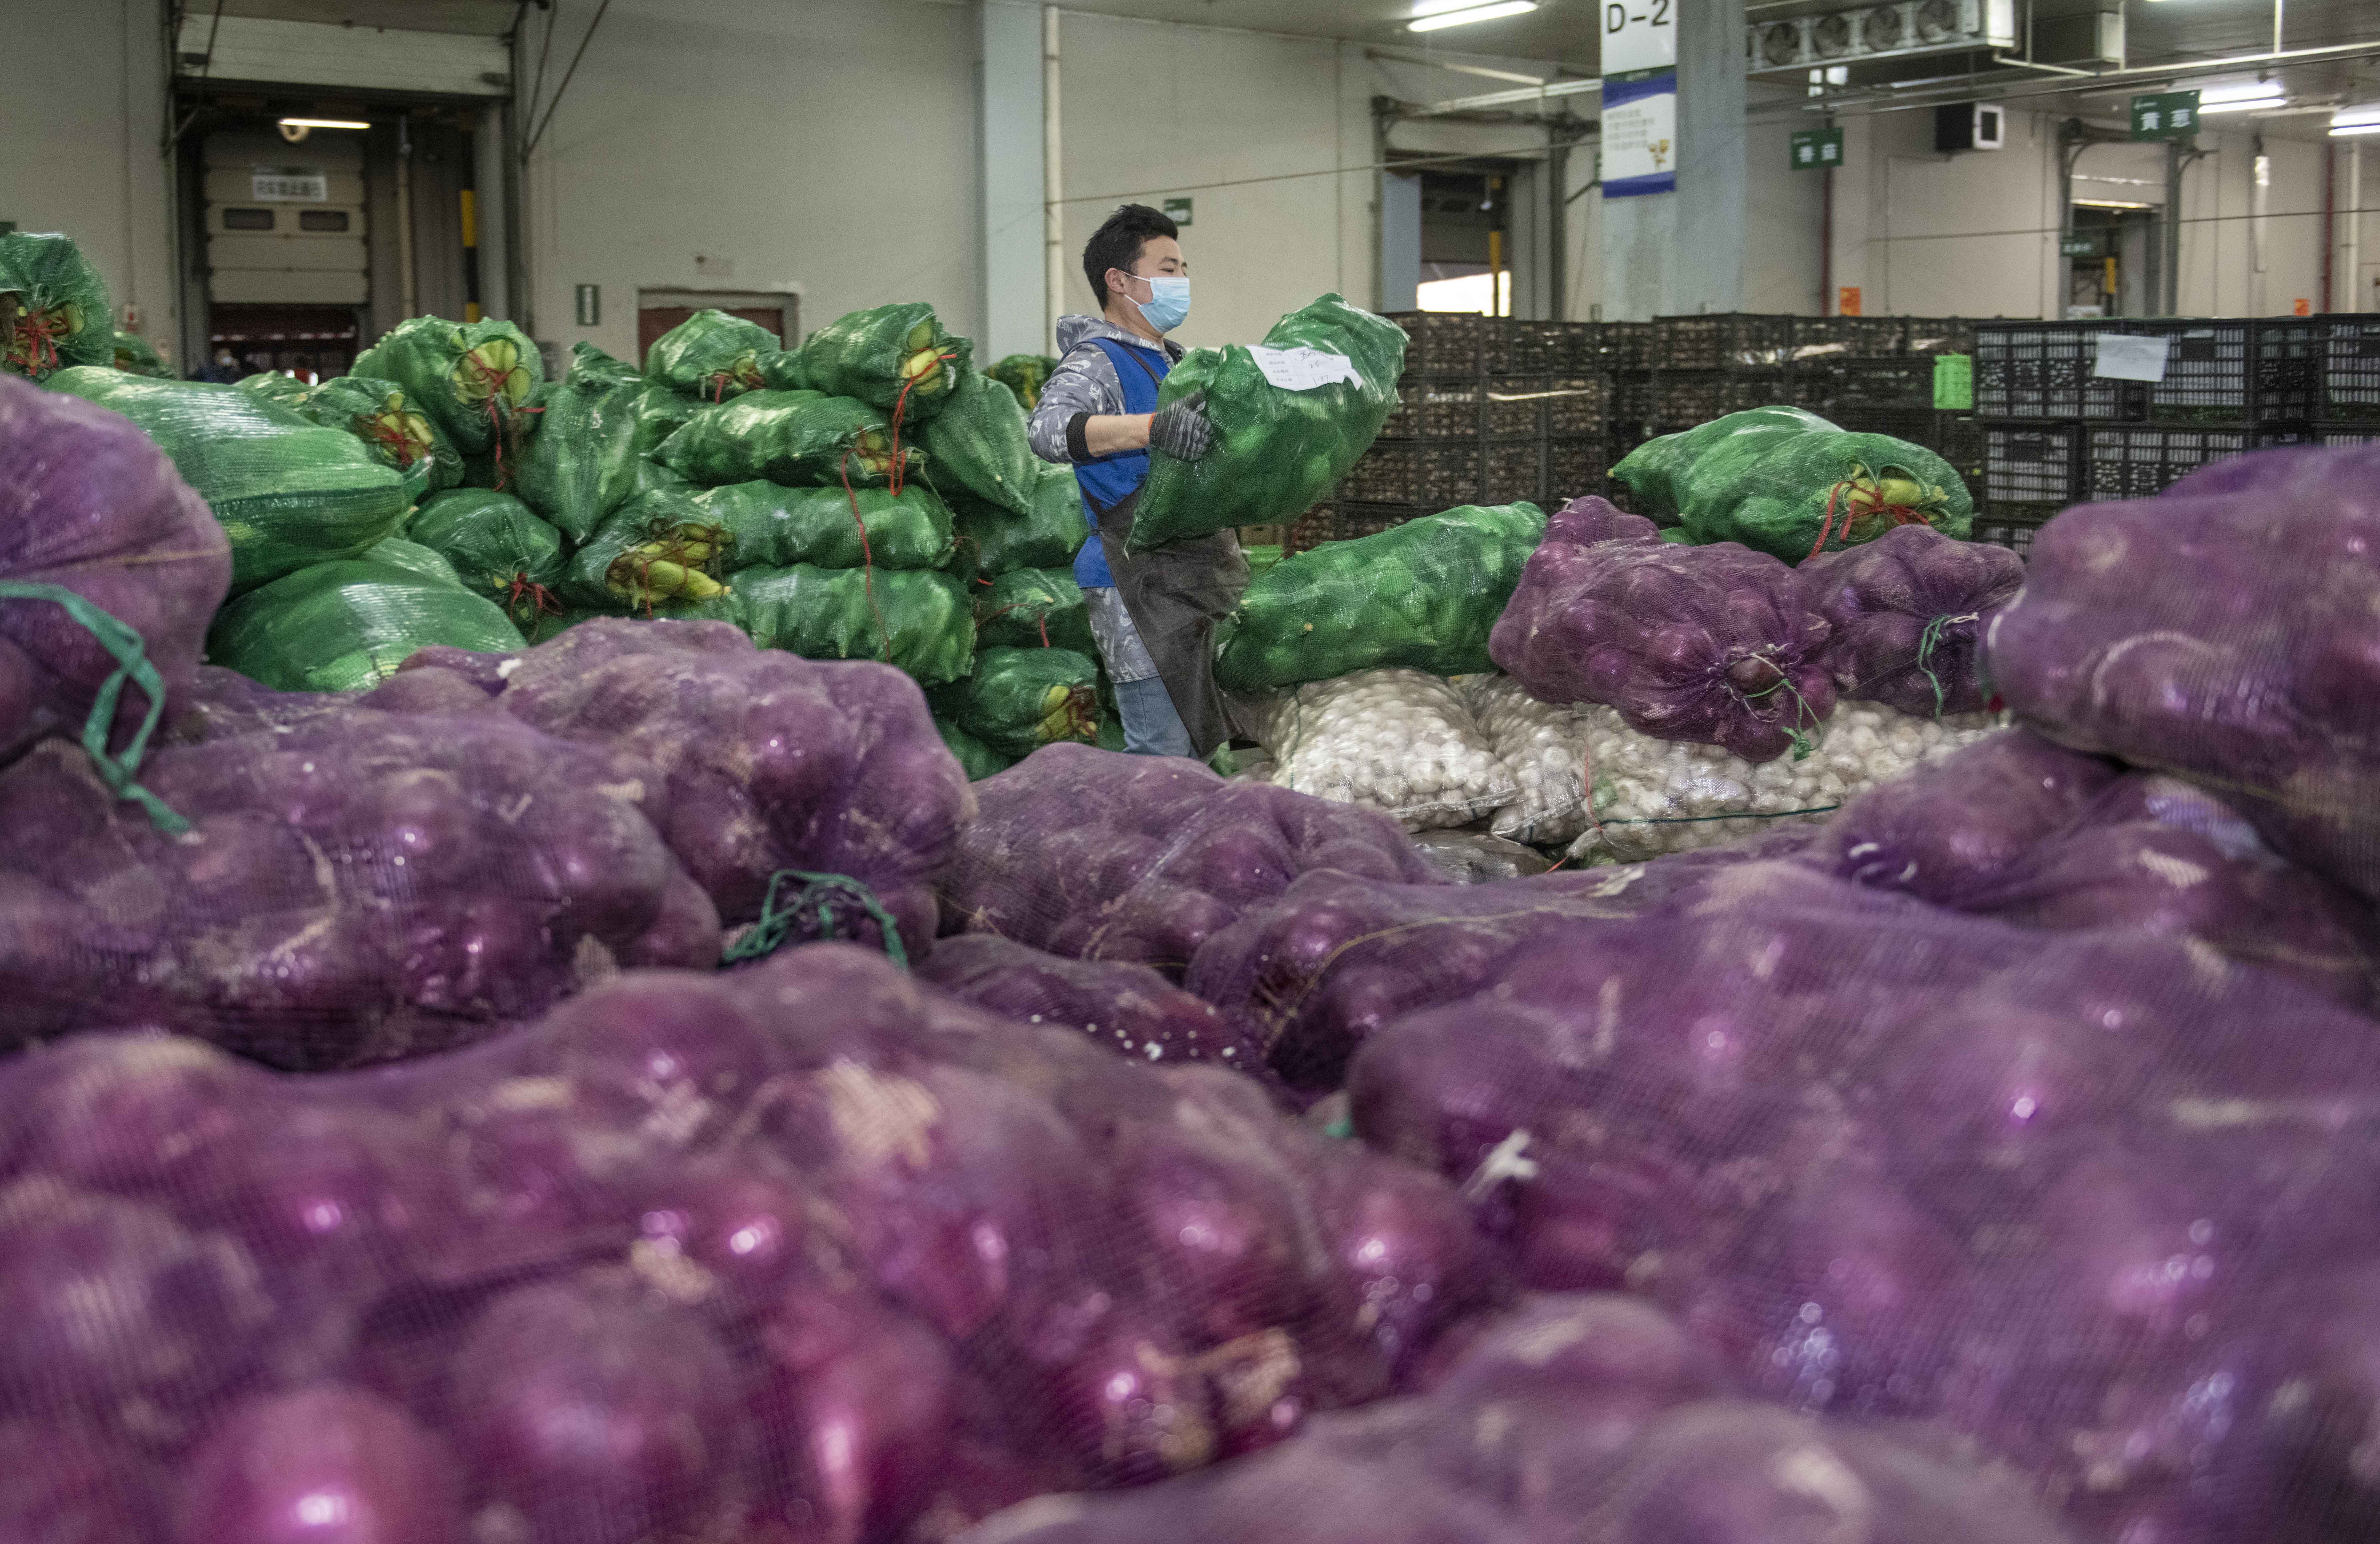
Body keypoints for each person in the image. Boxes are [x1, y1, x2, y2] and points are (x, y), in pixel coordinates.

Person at [1027, 203, 1246, 760]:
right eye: (1168, 268)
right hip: (1137, 584)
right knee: (1162, 756)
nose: (1181, 281)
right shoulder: (1097, 361)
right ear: (1120, 281)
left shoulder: (1176, 364)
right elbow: (1048, 431)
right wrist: (1152, 428)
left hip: (1193, 577)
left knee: (1199, 753)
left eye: (1183, 268)